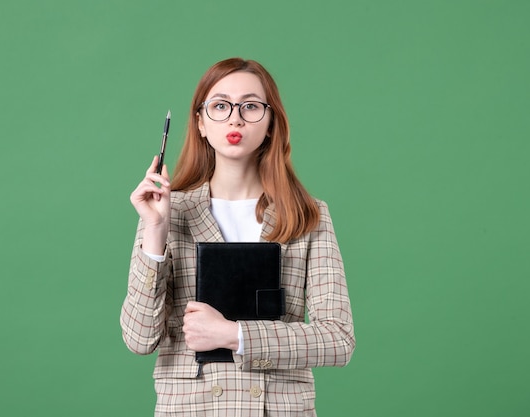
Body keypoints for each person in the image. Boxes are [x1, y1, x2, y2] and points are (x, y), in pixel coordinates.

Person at [120, 57, 355, 416]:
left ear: (272, 122)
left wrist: (234, 335)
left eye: (250, 106)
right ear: (200, 123)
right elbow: (139, 340)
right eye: (220, 106)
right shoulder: (170, 211)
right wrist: (155, 230)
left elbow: (338, 339)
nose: (235, 118)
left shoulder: (308, 214)